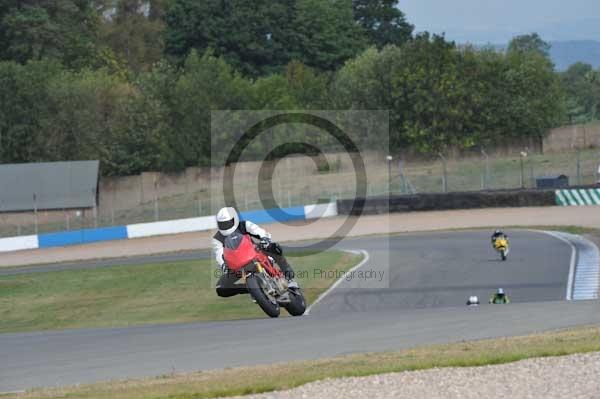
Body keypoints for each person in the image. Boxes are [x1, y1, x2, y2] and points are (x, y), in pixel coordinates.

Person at [212, 207, 297, 298]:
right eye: (222, 224)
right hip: (237, 265)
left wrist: (264, 239)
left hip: (255, 254)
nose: (225, 226)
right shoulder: (217, 238)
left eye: (227, 223)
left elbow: (259, 231)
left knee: (273, 247)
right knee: (221, 288)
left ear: (234, 219)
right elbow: (219, 254)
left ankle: (288, 274)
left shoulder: (244, 225)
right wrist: (223, 265)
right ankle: (253, 289)